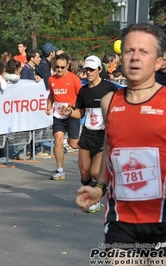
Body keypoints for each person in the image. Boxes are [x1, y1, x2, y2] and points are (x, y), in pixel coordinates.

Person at [76, 23, 166, 265]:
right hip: (121, 220)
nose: (135, 57)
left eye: (144, 51)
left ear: (159, 62)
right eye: (129, 51)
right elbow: (110, 148)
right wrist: (100, 187)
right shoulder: (109, 102)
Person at [61, 55, 117, 213]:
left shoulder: (109, 88)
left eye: (92, 69)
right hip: (87, 133)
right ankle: (92, 198)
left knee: (94, 171)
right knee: (84, 170)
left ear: (100, 69)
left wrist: (110, 122)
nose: (89, 72)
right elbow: (80, 112)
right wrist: (70, 112)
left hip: (103, 135)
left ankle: (97, 194)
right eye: (86, 69)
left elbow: (118, 110)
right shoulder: (83, 90)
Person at [45, 53, 82, 180]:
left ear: (68, 66)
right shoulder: (51, 79)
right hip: (58, 114)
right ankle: (60, 170)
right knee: (58, 140)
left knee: (73, 144)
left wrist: (73, 108)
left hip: (72, 114)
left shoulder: (74, 79)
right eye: (57, 67)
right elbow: (51, 94)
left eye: (62, 67)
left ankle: (92, 151)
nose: (59, 70)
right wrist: (48, 106)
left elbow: (81, 96)